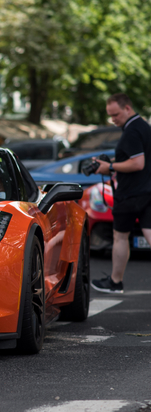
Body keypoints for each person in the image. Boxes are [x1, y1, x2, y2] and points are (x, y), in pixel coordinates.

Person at [91, 93, 151, 294]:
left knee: (120, 236)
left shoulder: (132, 131)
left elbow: (137, 163)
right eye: (110, 115)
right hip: (147, 191)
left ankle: (115, 282)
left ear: (127, 108)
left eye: (115, 114)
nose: (113, 119)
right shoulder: (144, 127)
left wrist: (110, 167)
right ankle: (115, 281)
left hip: (130, 195)